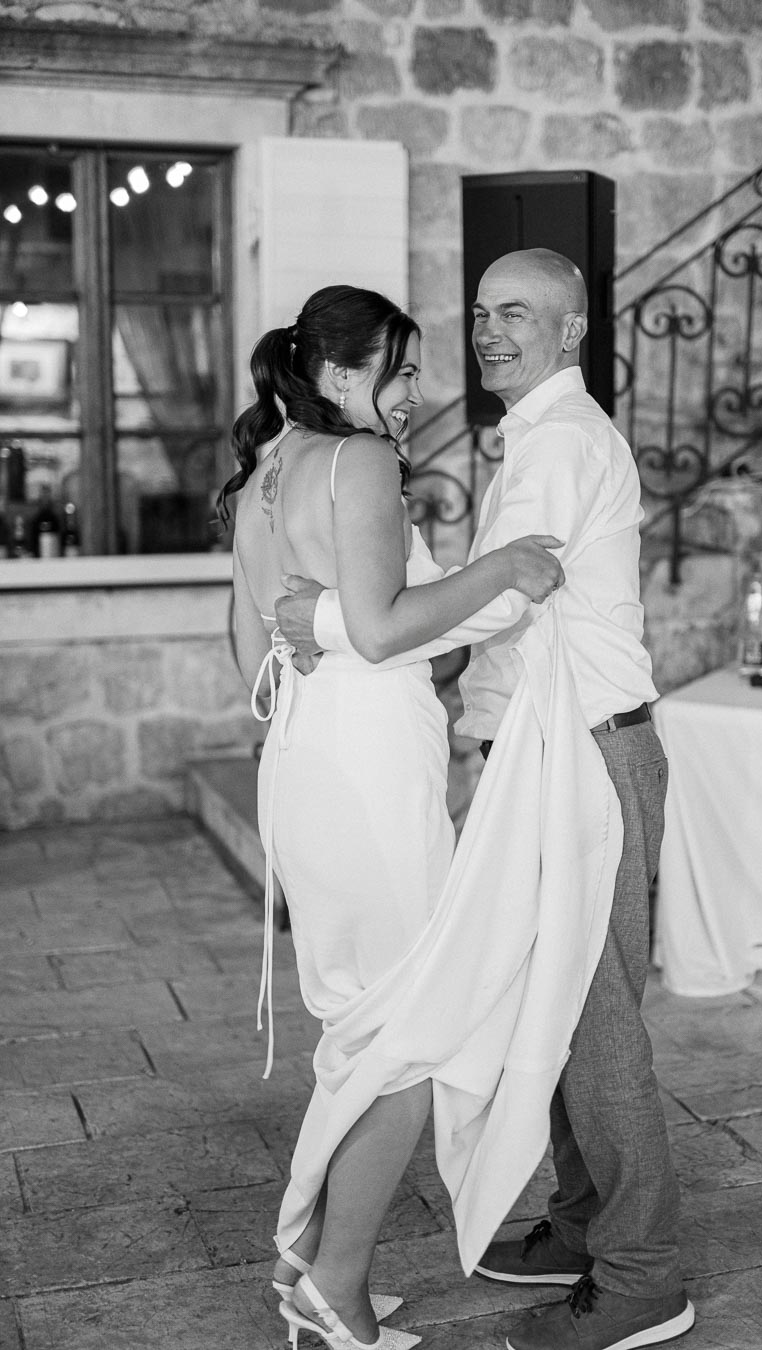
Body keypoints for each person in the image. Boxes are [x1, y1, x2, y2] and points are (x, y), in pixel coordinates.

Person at [275, 250, 695, 1350]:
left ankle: (645, 1277)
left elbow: (511, 593)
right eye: (480, 312)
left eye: (517, 312)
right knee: (546, 1007)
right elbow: (498, 604)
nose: (490, 329)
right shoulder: (537, 436)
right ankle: (578, 1223)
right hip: (547, 751)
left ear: (572, 327)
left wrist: (338, 624)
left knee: (596, 1025)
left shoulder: (558, 441)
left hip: (583, 757)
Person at [219, 283, 566, 1350]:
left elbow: (257, 653)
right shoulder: (361, 461)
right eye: (402, 369)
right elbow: (378, 627)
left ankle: (308, 1262)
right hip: (368, 767)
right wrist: (500, 569)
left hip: (305, 756)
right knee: (410, 1037)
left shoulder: (268, 467)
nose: (417, 393)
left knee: (362, 1024)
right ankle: (336, 1286)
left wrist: (396, 645)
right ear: (336, 374)